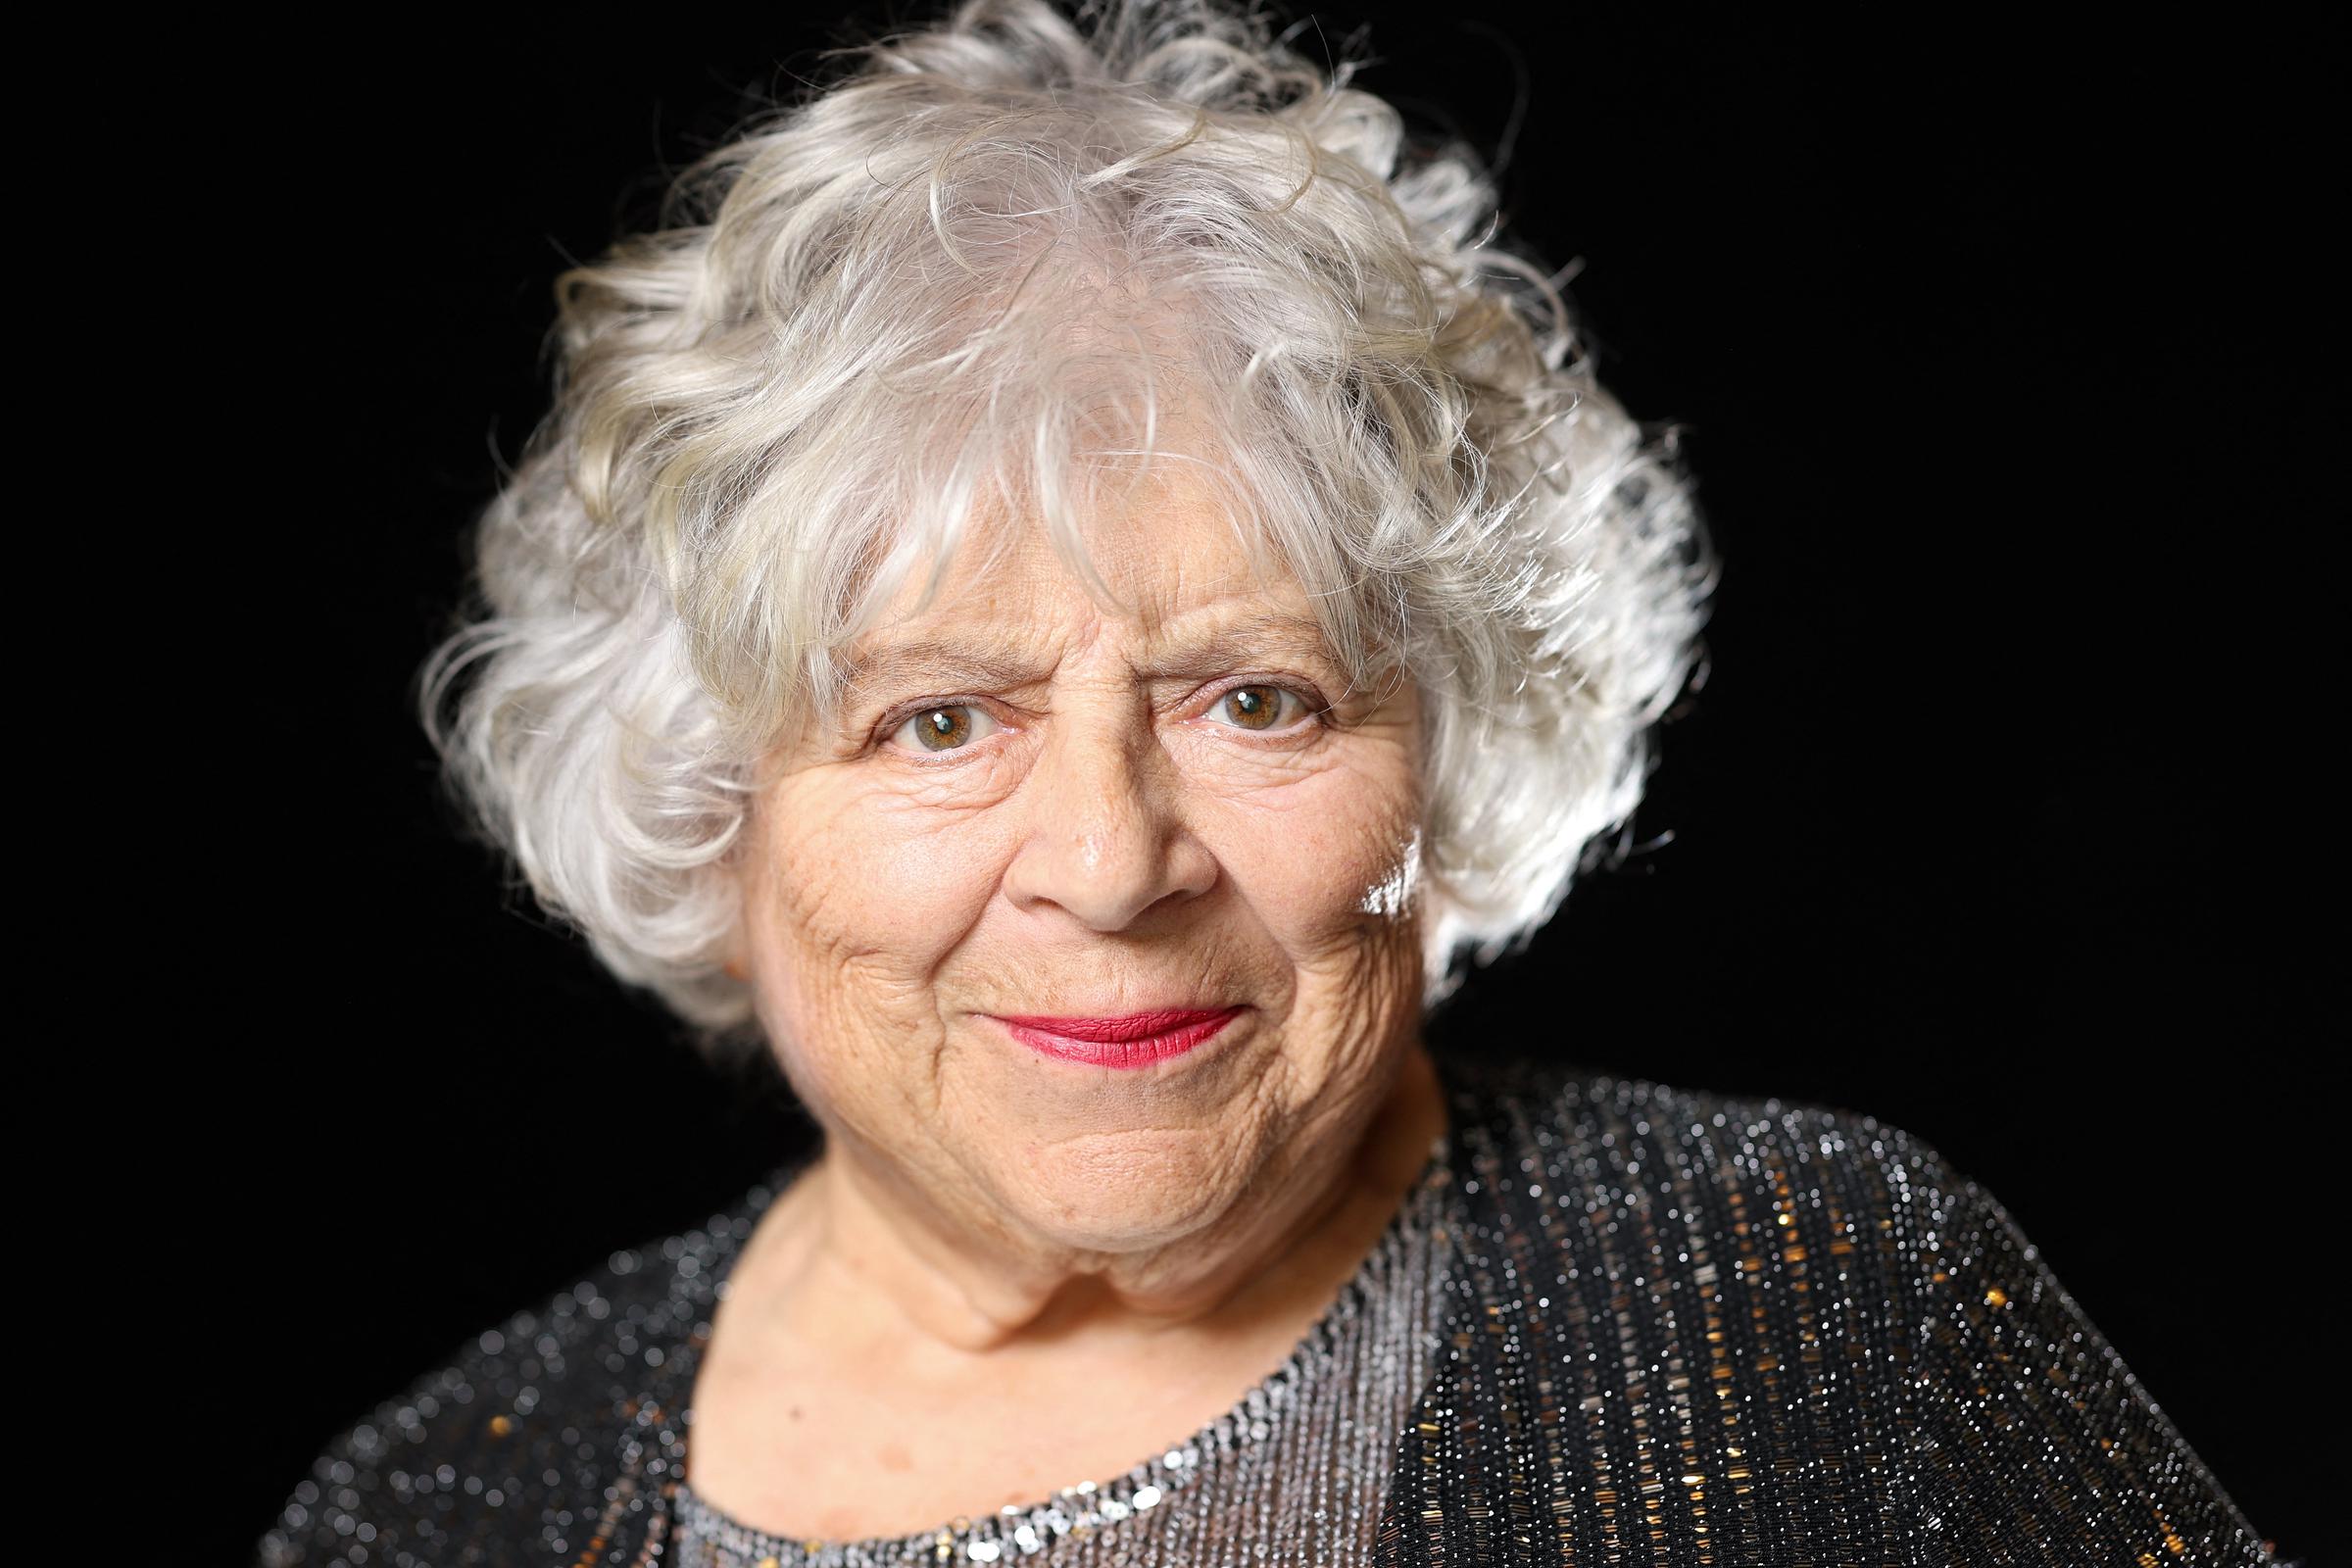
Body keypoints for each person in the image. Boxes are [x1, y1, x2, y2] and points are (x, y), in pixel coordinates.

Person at [258, 0, 2284, 1562]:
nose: (1113, 859)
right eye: (940, 719)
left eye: (1258, 699)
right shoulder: (436, 1507)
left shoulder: (1827, 1312)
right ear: (711, 801)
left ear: (1458, 740)